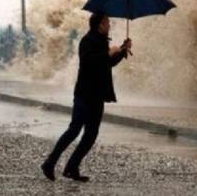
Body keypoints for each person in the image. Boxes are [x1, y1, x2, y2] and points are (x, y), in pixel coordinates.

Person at [41, 12, 132, 182]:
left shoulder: (103, 41)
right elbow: (88, 61)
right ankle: (49, 163)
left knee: (90, 135)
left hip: (97, 96)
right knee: (74, 130)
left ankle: (71, 167)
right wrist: (109, 53)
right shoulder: (87, 40)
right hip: (84, 95)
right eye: (107, 22)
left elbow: (107, 64)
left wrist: (121, 50)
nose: (110, 25)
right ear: (100, 25)